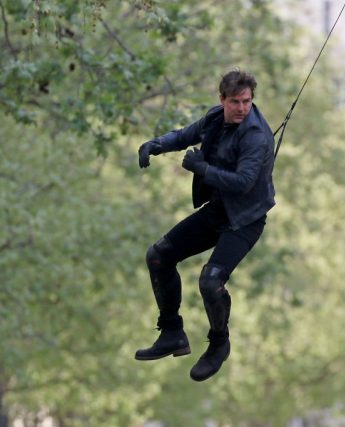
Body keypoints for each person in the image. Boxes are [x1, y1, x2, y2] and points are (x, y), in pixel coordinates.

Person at [134, 70, 276, 382]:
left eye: (247, 102)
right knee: (158, 256)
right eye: (235, 102)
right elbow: (186, 135)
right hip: (218, 212)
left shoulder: (255, 136)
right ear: (222, 99)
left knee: (210, 281)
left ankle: (219, 344)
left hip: (245, 221)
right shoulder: (215, 118)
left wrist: (203, 169)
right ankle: (172, 332)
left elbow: (243, 183)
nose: (242, 108)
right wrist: (155, 145)